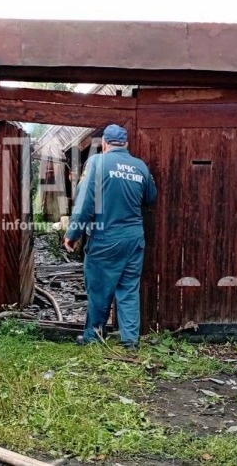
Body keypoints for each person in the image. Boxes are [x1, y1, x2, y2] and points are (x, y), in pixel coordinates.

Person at [63, 124, 157, 350]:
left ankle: (94, 336)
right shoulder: (140, 167)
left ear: (104, 143)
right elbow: (151, 197)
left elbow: (85, 203)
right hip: (133, 238)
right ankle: (130, 342)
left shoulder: (97, 162)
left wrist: (73, 233)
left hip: (106, 238)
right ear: (125, 144)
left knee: (99, 289)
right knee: (128, 289)